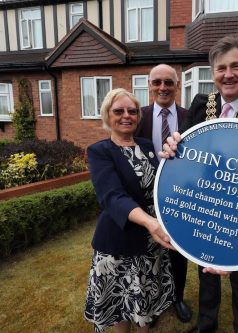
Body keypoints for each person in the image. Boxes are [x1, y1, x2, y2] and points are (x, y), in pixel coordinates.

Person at [161, 34, 238, 333]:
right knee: (206, 265)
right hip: (204, 198)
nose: (228, 75)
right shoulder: (202, 103)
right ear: (213, 73)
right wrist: (173, 144)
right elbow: (185, 148)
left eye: (236, 66)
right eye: (221, 68)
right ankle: (207, 321)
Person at [84, 88, 175, 333]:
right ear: (107, 116)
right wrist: (149, 221)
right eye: (119, 111)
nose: (127, 116)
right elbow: (112, 196)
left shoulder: (146, 146)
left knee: (144, 300)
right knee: (118, 304)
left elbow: (162, 185)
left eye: (132, 111)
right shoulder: (99, 151)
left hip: (150, 241)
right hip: (118, 240)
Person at [135, 64, 192, 323]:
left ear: (177, 85)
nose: (162, 87)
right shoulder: (137, 117)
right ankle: (154, 302)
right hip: (145, 198)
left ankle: (177, 297)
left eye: (168, 82)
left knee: (178, 251)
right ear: (149, 85)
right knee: (150, 253)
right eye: (156, 82)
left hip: (182, 195)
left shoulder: (191, 117)